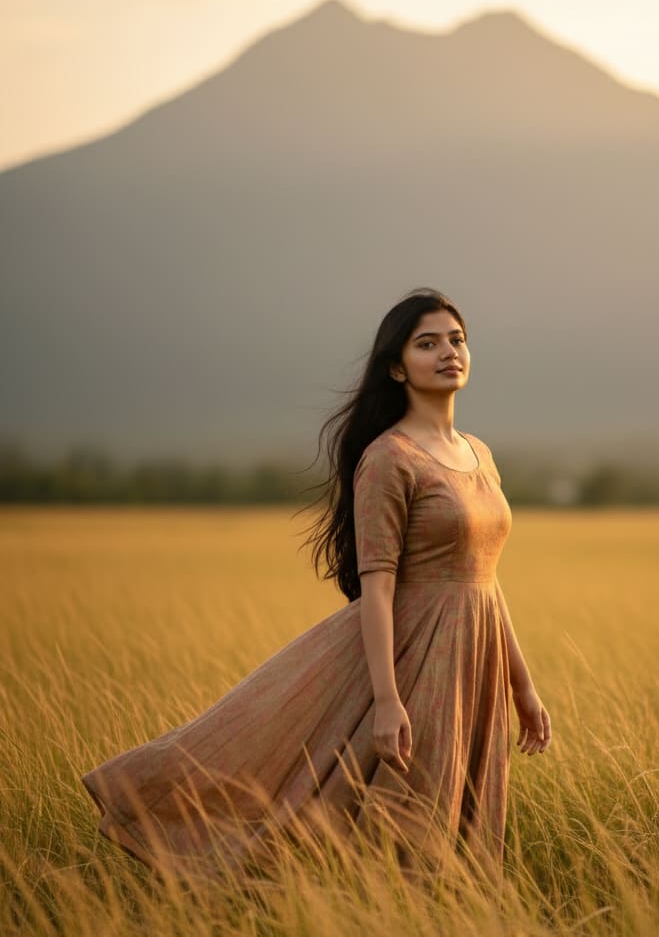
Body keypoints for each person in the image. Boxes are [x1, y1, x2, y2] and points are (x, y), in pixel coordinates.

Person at [81, 287, 551, 883]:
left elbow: (484, 579)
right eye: (427, 343)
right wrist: (386, 699)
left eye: (456, 340)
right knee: (406, 819)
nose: (448, 352)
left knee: (464, 822)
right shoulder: (389, 459)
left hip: (475, 660)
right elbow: (377, 587)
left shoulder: (478, 453)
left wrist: (523, 687)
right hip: (414, 658)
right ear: (396, 366)